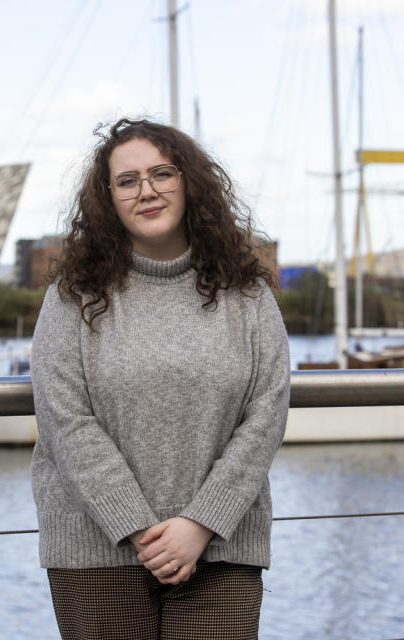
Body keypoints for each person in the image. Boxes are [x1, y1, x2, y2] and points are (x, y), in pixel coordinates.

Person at [30, 117, 290, 640]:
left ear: (189, 182)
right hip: (94, 552)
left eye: (162, 173)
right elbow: (65, 419)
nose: (146, 190)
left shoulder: (248, 295)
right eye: (127, 180)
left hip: (221, 549)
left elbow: (266, 415)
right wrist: (139, 528)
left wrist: (200, 525)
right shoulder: (72, 296)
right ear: (108, 198)